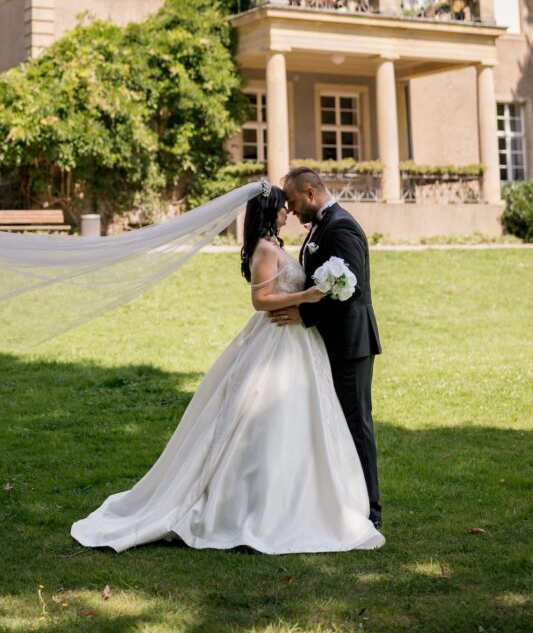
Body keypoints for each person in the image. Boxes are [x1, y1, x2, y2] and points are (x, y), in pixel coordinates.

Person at [71, 182, 384, 553]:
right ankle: (266, 504)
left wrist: (306, 305)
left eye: (291, 204)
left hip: (300, 341)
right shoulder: (266, 248)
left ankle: (333, 498)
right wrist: (305, 298)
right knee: (268, 419)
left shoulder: (288, 240)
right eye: (283, 207)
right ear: (269, 211)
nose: (289, 212)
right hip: (280, 339)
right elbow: (260, 300)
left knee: (313, 419)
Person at [281, 166, 382, 529]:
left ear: (310, 193)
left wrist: (303, 314)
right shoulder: (319, 228)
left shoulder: (341, 226)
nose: (290, 211)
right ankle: (343, 500)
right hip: (329, 341)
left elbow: (348, 288)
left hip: (351, 342)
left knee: (356, 424)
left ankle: (370, 510)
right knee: (336, 423)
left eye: (292, 202)